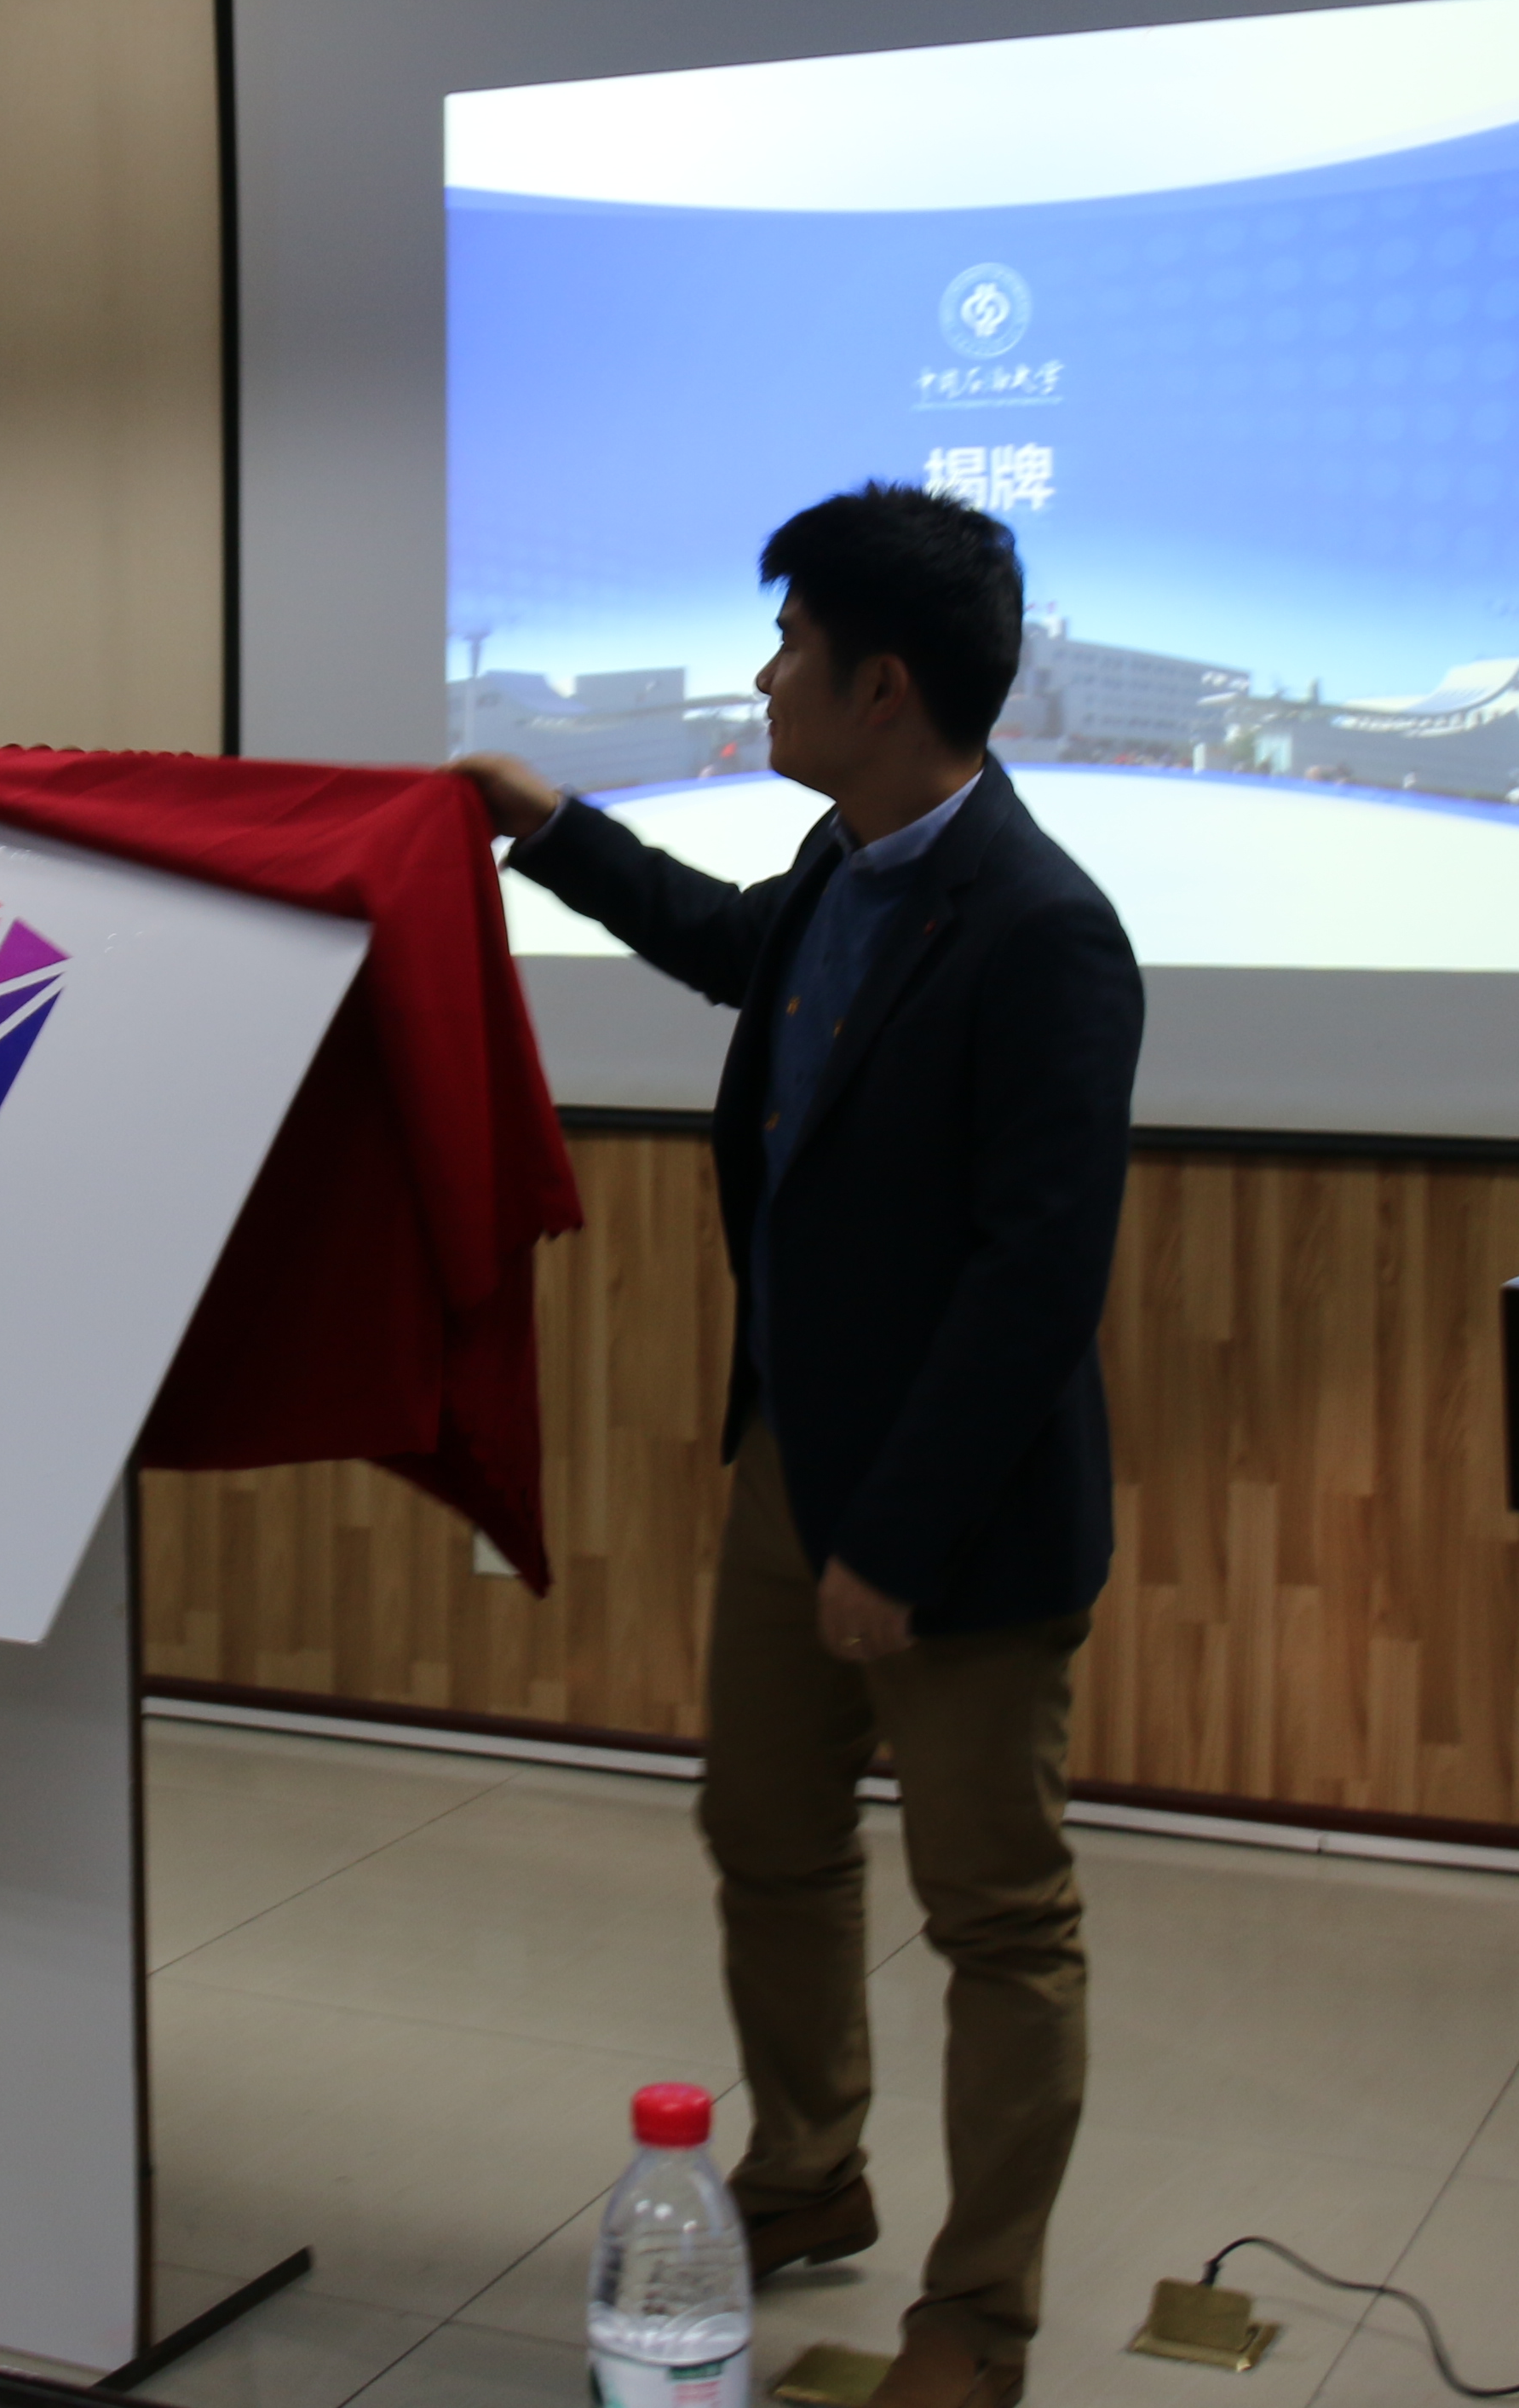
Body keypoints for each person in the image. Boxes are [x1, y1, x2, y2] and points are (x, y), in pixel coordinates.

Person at [454, 486, 1142, 2408]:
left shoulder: (1046, 932)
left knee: (998, 1917)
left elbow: (1035, 1281)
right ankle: (808, 2168)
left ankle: (978, 2317)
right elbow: (726, 943)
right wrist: (548, 829)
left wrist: (893, 1542)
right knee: (764, 1835)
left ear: (882, 683)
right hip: (792, 1472)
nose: (765, 679)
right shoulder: (839, 872)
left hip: (957, 1525)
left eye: (788, 648)